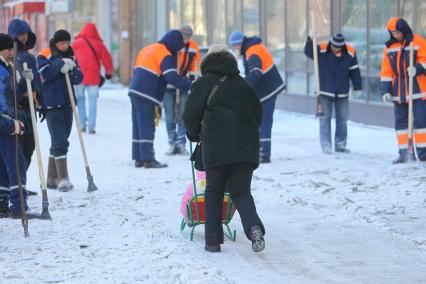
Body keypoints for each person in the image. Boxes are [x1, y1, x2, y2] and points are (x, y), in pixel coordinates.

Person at [183, 44, 265, 253]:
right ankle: (254, 226)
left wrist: (194, 135)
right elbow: (258, 116)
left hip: (217, 147)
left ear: (208, 62)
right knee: (241, 191)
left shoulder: (202, 84)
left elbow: (190, 115)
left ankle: (212, 242)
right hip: (246, 148)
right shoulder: (245, 85)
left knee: (214, 191)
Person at [128, 29, 191, 168]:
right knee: (147, 125)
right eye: (179, 47)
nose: (179, 51)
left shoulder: (148, 48)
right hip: (147, 92)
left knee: (138, 125)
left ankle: (138, 157)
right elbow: (171, 77)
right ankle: (148, 159)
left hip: (134, 89)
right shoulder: (165, 54)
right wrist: (188, 85)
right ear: (174, 43)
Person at [37, 29, 83, 191]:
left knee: (59, 141)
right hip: (52, 104)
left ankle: (51, 178)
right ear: (55, 43)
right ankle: (63, 179)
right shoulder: (45, 55)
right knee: (60, 141)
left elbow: (79, 78)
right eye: (62, 43)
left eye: (67, 42)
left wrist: (72, 68)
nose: (65, 45)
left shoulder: (72, 55)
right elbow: (45, 75)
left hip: (68, 104)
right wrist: (59, 64)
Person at [229, 31, 285, 163]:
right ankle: (260, 151)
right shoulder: (252, 48)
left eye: (235, 46)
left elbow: (256, 73)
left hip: (268, 90)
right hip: (267, 89)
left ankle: (264, 154)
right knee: (260, 120)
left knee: (264, 120)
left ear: (240, 44)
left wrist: (242, 84)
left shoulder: (252, 52)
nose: (235, 49)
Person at [304, 33, 362, 154]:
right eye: (334, 46)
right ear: (331, 44)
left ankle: (340, 145)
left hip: (342, 92)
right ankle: (326, 146)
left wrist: (357, 87)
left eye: (339, 47)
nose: (336, 49)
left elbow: (354, 71)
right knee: (324, 119)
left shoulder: (350, 52)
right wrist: (309, 39)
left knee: (342, 120)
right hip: (324, 91)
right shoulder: (322, 49)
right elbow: (309, 52)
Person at [381, 17, 426, 163]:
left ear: (404, 29)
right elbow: (386, 70)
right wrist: (385, 90)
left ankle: (423, 152)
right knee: (401, 123)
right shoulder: (389, 47)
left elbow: (425, 60)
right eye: (392, 32)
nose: (395, 35)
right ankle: (405, 153)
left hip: (418, 89)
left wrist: (417, 69)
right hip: (398, 91)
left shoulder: (419, 42)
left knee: (420, 122)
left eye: (397, 32)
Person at [0, 33, 35, 218]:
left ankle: (2, 203)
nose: (12, 52)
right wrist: (7, 121)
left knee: (5, 164)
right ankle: (18, 205)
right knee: (16, 163)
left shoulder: (8, 66)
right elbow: (2, 98)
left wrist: (25, 81)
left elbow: (14, 92)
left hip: (9, 118)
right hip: (6, 120)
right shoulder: (1, 70)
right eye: (8, 49)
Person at [8, 19, 43, 196]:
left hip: (30, 107)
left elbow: (36, 82)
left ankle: (20, 184)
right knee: (21, 148)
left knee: (29, 147)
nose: (24, 37)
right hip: (19, 108)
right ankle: (15, 186)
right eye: (20, 34)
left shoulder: (29, 56)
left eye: (26, 33)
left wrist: (40, 101)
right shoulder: (12, 57)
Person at [164, 25, 200, 156]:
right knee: (169, 114)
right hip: (168, 85)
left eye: (187, 38)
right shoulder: (170, 44)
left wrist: (190, 79)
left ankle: (181, 142)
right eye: (183, 38)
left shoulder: (193, 47)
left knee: (183, 114)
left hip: (184, 84)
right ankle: (172, 142)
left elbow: (195, 67)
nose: (185, 41)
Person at [72, 22, 114, 134]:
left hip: (78, 76)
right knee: (93, 99)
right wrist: (109, 72)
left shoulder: (76, 43)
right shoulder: (99, 44)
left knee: (80, 99)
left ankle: (82, 124)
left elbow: (70, 57)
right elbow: (107, 58)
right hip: (93, 77)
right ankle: (91, 126)